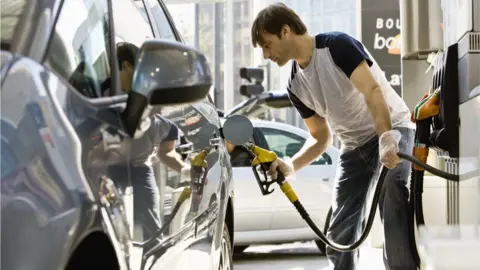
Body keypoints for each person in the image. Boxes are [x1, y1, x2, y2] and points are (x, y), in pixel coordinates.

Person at [251, 3, 416, 270]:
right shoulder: (295, 85)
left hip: (393, 128)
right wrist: (291, 165)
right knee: (340, 229)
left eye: (267, 45)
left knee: (393, 194)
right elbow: (320, 137)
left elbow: (372, 91)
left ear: (285, 31)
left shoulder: (337, 46)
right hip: (354, 148)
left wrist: (386, 136)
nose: (266, 55)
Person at [100, 42, 189, 251]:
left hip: (141, 168)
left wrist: (185, 169)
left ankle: (154, 255)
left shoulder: (153, 98)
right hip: (108, 168)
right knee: (110, 225)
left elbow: (166, 151)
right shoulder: (102, 94)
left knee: (151, 225)